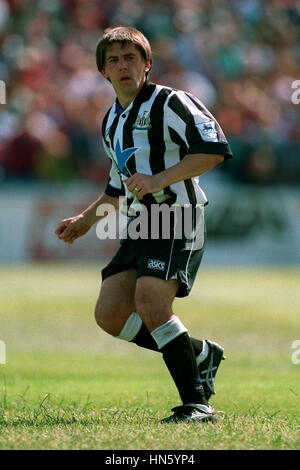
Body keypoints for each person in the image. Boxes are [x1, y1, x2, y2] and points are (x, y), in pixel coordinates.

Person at [55, 26, 233, 423]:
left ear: (147, 64)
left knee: (152, 302)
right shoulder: (111, 122)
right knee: (110, 315)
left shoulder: (172, 102)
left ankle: (198, 406)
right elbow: (116, 191)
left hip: (176, 216)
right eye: (114, 60)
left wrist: (159, 179)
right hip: (140, 224)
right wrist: (84, 222)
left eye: (130, 58)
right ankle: (200, 353)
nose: (123, 66)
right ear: (103, 71)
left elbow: (214, 150)